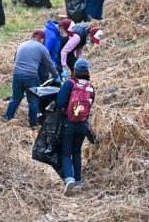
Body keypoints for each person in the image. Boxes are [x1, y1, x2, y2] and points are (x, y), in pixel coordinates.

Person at [4, 30, 61, 127]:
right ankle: (33, 124)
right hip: (30, 76)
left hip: (16, 74)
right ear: (42, 39)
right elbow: (49, 65)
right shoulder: (42, 48)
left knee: (15, 98)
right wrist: (56, 76)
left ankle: (7, 118)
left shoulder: (21, 45)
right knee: (33, 100)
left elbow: (15, 60)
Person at [57, 58, 96, 195]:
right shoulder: (90, 86)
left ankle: (69, 179)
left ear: (75, 69)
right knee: (77, 151)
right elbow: (91, 104)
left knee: (66, 152)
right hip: (83, 124)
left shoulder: (70, 84)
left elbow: (60, 102)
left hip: (69, 123)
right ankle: (78, 180)